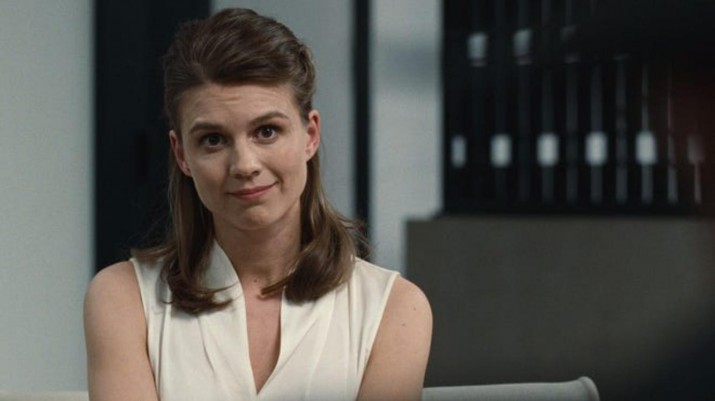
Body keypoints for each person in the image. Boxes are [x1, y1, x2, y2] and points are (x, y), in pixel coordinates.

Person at [83, 7, 432, 401]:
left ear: (310, 135)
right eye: (213, 140)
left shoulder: (394, 309)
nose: (244, 165)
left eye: (267, 131)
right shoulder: (123, 299)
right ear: (181, 154)